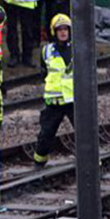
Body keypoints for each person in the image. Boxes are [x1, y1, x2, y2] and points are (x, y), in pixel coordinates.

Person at [33, 14, 73, 169]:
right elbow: (45, 73)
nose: (63, 32)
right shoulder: (46, 51)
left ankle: (93, 163)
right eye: (59, 30)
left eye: (65, 29)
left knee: (85, 135)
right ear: (54, 32)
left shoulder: (77, 48)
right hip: (54, 102)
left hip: (73, 101)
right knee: (46, 134)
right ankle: (39, 163)